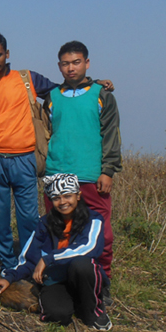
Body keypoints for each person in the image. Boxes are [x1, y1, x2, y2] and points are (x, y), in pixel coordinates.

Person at [0, 32, 64, 270]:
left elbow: (60, 93)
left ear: (7, 54)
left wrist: (93, 84)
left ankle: (29, 263)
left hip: (24, 158)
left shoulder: (27, 79)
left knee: (29, 219)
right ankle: (8, 264)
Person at [0, 174, 112, 331]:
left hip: (81, 276)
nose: (62, 202)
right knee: (56, 315)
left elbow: (89, 248)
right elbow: (29, 258)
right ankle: (73, 302)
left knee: (82, 264)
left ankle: (93, 311)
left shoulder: (93, 219)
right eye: (56, 198)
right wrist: (9, 277)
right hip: (55, 278)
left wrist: (49, 258)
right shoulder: (44, 223)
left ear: (78, 195)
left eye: (67, 196)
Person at [44, 41, 121, 281]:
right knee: (57, 231)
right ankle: (58, 280)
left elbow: (111, 134)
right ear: (59, 66)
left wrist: (108, 170)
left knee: (102, 234)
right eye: (65, 64)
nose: (71, 68)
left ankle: (102, 279)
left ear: (86, 63)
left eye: (76, 62)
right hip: (57, 174)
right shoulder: (51, 97)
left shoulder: (102, 96)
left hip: (91, 175)